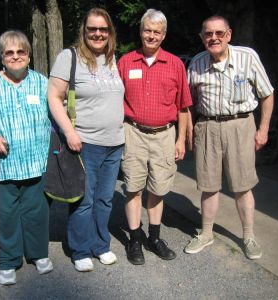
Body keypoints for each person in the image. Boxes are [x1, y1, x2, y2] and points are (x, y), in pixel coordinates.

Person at [0, 30, 53, 285]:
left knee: (36, 211)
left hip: (35, 163)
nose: (16, 56)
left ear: (28, 55)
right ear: (2, 57)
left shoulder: (41, 82)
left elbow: (57, 114)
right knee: (4, 214)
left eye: (21, 51)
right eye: (9, 52)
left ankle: (38, 254)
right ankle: (8, 261)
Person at [185, 15, 274, 259]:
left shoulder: (247, 57)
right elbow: (189, 102)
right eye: (208, 34)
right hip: (207, 127)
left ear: (229, 34)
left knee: (242, 186)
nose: (213, 38)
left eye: (219, 33)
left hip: (240, 125)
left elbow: (267, 94)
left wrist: (263, 129)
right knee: (208, 186)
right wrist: (190, 130)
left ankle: (248, 236)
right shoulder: (196, 62)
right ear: (202, 37)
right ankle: (206, 233)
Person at [48, 8, 124, 272]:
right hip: (85, 143)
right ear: (84, 31)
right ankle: (80, 249)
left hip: (115, 144)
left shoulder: (115, 59)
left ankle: (100, 245)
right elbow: (54, 97)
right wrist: (69, 131)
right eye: (92, 29)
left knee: (105, 199)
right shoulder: (69, 57)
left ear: (110, 32)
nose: (98, 34)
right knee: (84, 199)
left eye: (103, 29)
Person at [118, 8, 192, 265]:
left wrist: (181, 140)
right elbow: (114, 100)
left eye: (156, 32)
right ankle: (135, 239)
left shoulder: (175, 64)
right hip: (133, 132)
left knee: (158, 189)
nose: (151, 35)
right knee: (133, 188)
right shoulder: (125, 62)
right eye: (147, 30)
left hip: (164, 136)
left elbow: (183, 106)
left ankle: (155, 237)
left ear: (164, 35)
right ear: (140, 31)